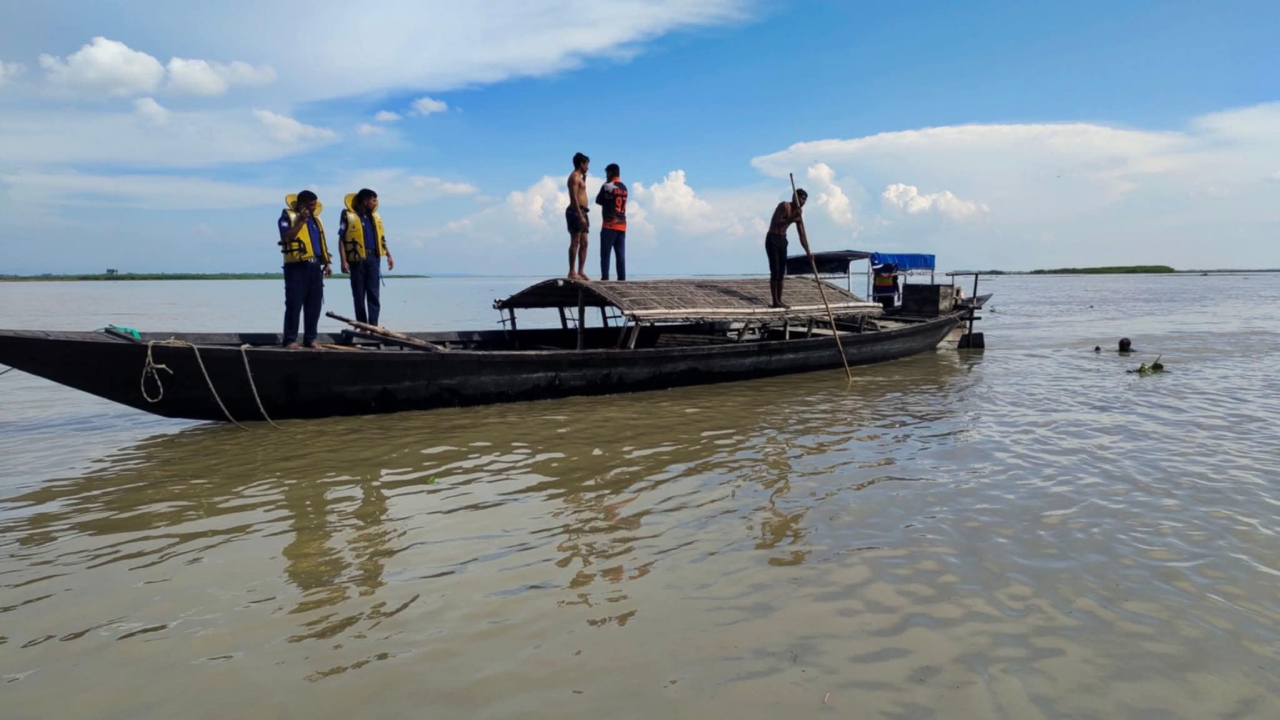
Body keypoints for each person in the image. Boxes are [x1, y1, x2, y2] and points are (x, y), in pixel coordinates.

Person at [277, 190, 332, 348]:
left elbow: (320, 243)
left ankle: (310, 338)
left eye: (315, 205)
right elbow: (286, 237)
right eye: (310, 205)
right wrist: (301, 221)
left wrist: (326, 263)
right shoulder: (287, 217)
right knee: (294, 303)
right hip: (296, 267)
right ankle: (290, 339)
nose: (314, 208)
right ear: (302, 205)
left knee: (314, 304)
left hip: (315, 266)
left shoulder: (316, 220)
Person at [339, 188, 394, 326]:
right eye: (373, 200)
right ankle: (362, 325)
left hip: (374, 259)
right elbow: (341, 239)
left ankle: (373, 325)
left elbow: (381, 239)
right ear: (365, 201)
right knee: (358, 293)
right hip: (357, 260)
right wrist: (343, 261)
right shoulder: (348, 215)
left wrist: (388, 254)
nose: (376, 203)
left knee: (374, 293)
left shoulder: (374, 217)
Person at [765, 189, 808, 308]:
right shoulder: (784, 206)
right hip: (772, 238)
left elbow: (802, 235)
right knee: (775, 270)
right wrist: (793, 216)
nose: (803, 202)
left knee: (781, 271)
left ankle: (779, 300)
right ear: (794, 197)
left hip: (783, 240)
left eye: (805, 200)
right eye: (801, 198)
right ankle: (775, 301)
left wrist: (808, 252)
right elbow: (778, 223)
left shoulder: (798, 214)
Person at [596, 163, 628, 281]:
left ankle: (605, 278)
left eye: (606, 173)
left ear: (610, 173)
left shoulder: (607, 186)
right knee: (620, 255)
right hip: (622, 225)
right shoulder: (624, 187)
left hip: (609, 224)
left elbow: (598, 200)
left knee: (605, 254)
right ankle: (622, 279)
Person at [566, 152, 591, 280]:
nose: (588, 167)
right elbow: (574, 197)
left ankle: (581, 270)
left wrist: (584, 179)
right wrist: (580, 215)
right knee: (575, 241)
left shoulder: (580, 177)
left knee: (584, 242)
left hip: (583, 211)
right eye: (586, 164)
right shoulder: (574, 177)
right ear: (581, 164)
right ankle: (572, 271)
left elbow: (581, 191)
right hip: (576, 212)